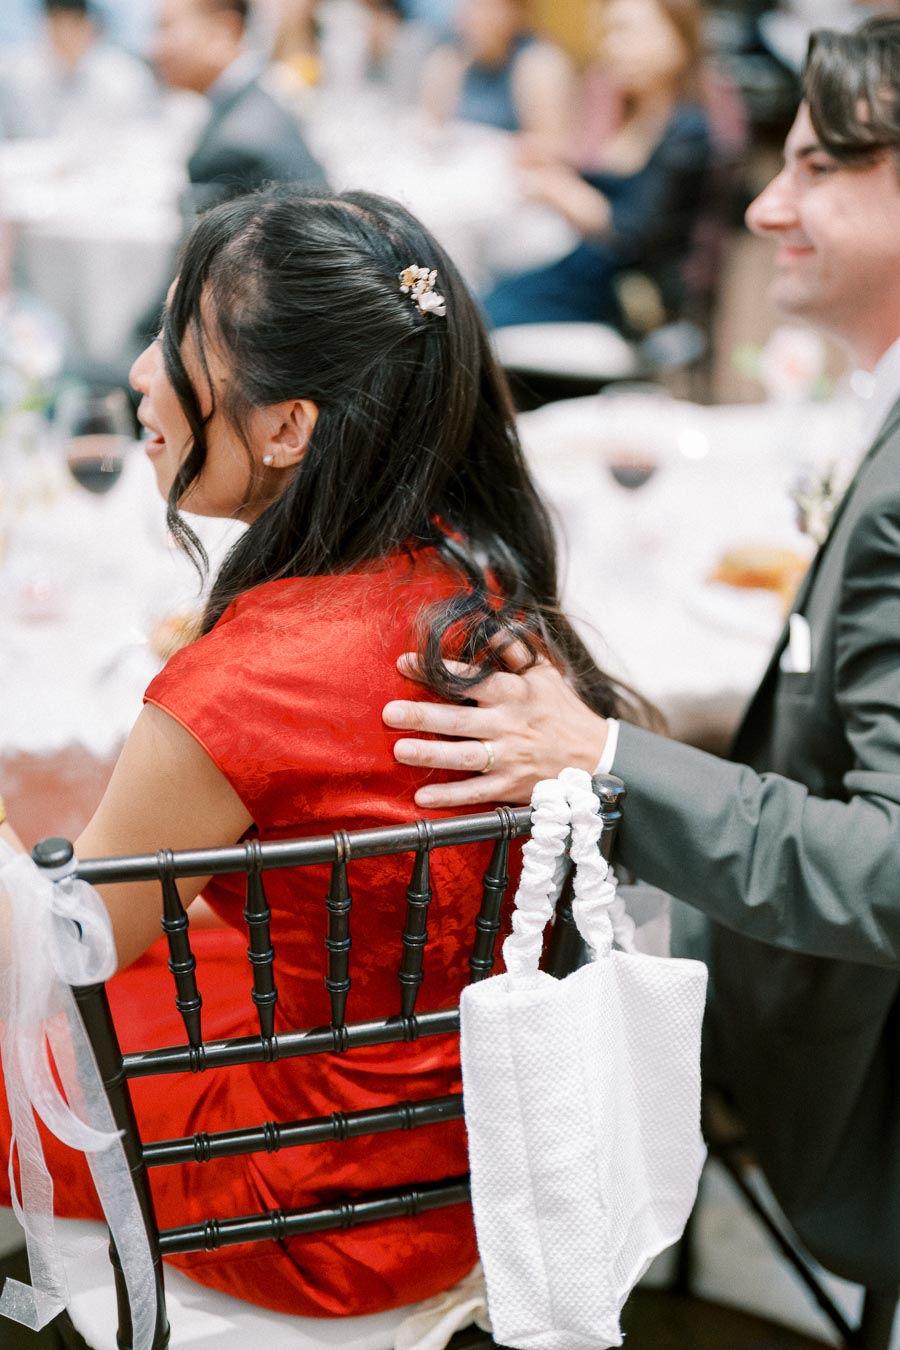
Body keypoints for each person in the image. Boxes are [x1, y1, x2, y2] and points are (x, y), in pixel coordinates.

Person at [0, 186, 639, 1317]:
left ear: (291, 425)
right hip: (485, 1140)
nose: (142, 376)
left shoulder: (243, 680)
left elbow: (70, 952)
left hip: (313, 1203)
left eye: (176, 343)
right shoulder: (473, 572)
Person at [384, 15, 900, 1296]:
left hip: (852, 1064)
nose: (773, 205)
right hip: (791, 979)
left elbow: (892, 868)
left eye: (824, 165)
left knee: (479, 1005)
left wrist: (604, 754)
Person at [484, 0, 712, 330]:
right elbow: (616, 183)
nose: (610, 47)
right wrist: (559, 163)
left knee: (483, 315)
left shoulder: (689, 129)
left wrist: (563, 191)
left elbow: (635, 235)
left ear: (679, 37)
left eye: (624, 31)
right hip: (586, 269)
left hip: (627, 294)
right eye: (607, 34)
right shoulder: (637, 115)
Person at [152, 0, 326, 216]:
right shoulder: (253, 100)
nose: (154, 47)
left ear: (224, 30)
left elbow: (202, 246)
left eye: (166, 27)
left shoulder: (234, 145)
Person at [0, 0, 158, 140]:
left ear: (90, 26)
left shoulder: (124, 76)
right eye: (56, 24)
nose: (65, 35)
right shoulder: (21, 77)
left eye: (73, 24)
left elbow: (142, 136)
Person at [420, 0, 574, 141]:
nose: (475, 16)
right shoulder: (449, 58)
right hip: (461, 165)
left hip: (511, 167)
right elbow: (430, 128)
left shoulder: (539, 62)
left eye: (487, 6)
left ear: (515, 13)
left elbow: (549, 144)